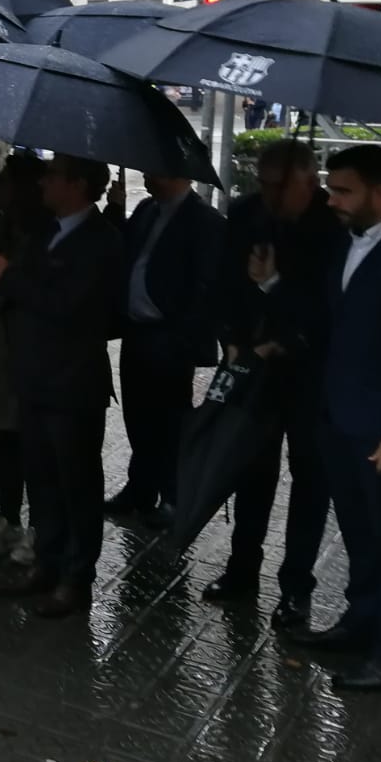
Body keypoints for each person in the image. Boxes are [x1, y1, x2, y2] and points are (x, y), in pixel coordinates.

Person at [288, 145, 381, 692]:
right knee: (361, 534)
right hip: (339, 419)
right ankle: (360, 621)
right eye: (330, 187)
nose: (331, 198)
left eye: (343, 190)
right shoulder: (347, 244)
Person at [206, 140, 341, 629]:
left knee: (310, 478)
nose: (268, 194)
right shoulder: (247, 214)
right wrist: (231, 339)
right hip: (253, 366)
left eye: (277, 186)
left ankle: (296, 587)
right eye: (261, 183)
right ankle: (243, 566)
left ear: (308, 181)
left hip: (308, 374)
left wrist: (279, 303)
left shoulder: (333, 226)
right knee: (251, 470)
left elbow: (326, 307)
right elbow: (223, 283)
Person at [0, 155, 123, 618]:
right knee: (41, 479)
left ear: (79, 184)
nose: (44, 182)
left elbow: (68, 305)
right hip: (33, 375)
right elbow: (24, 288)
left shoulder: (101, 242)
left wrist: (11, 276)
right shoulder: (47, 229)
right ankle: (48, 560)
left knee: (76, 483)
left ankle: (76, 577)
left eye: (54, 175)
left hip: (71, 383)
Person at [104, 170, 226, 530]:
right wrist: (115, 210)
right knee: (138, 416)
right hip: (138, 331)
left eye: (156, 168)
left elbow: (206, 288)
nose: (146, 173)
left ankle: (174, 496)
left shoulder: (204, 222)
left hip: (170, 336)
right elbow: (124, 252)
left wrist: (183, 336)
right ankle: (140, 488)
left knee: (171, 420)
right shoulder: (146, 210)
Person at [0, 152, 49, 563]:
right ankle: (8, 516)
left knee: (27, 439)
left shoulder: (44, 234)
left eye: (6, 180)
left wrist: (4, 278)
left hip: (25, 348)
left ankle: (37, 525)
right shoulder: (1, 226)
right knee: (3, 438)